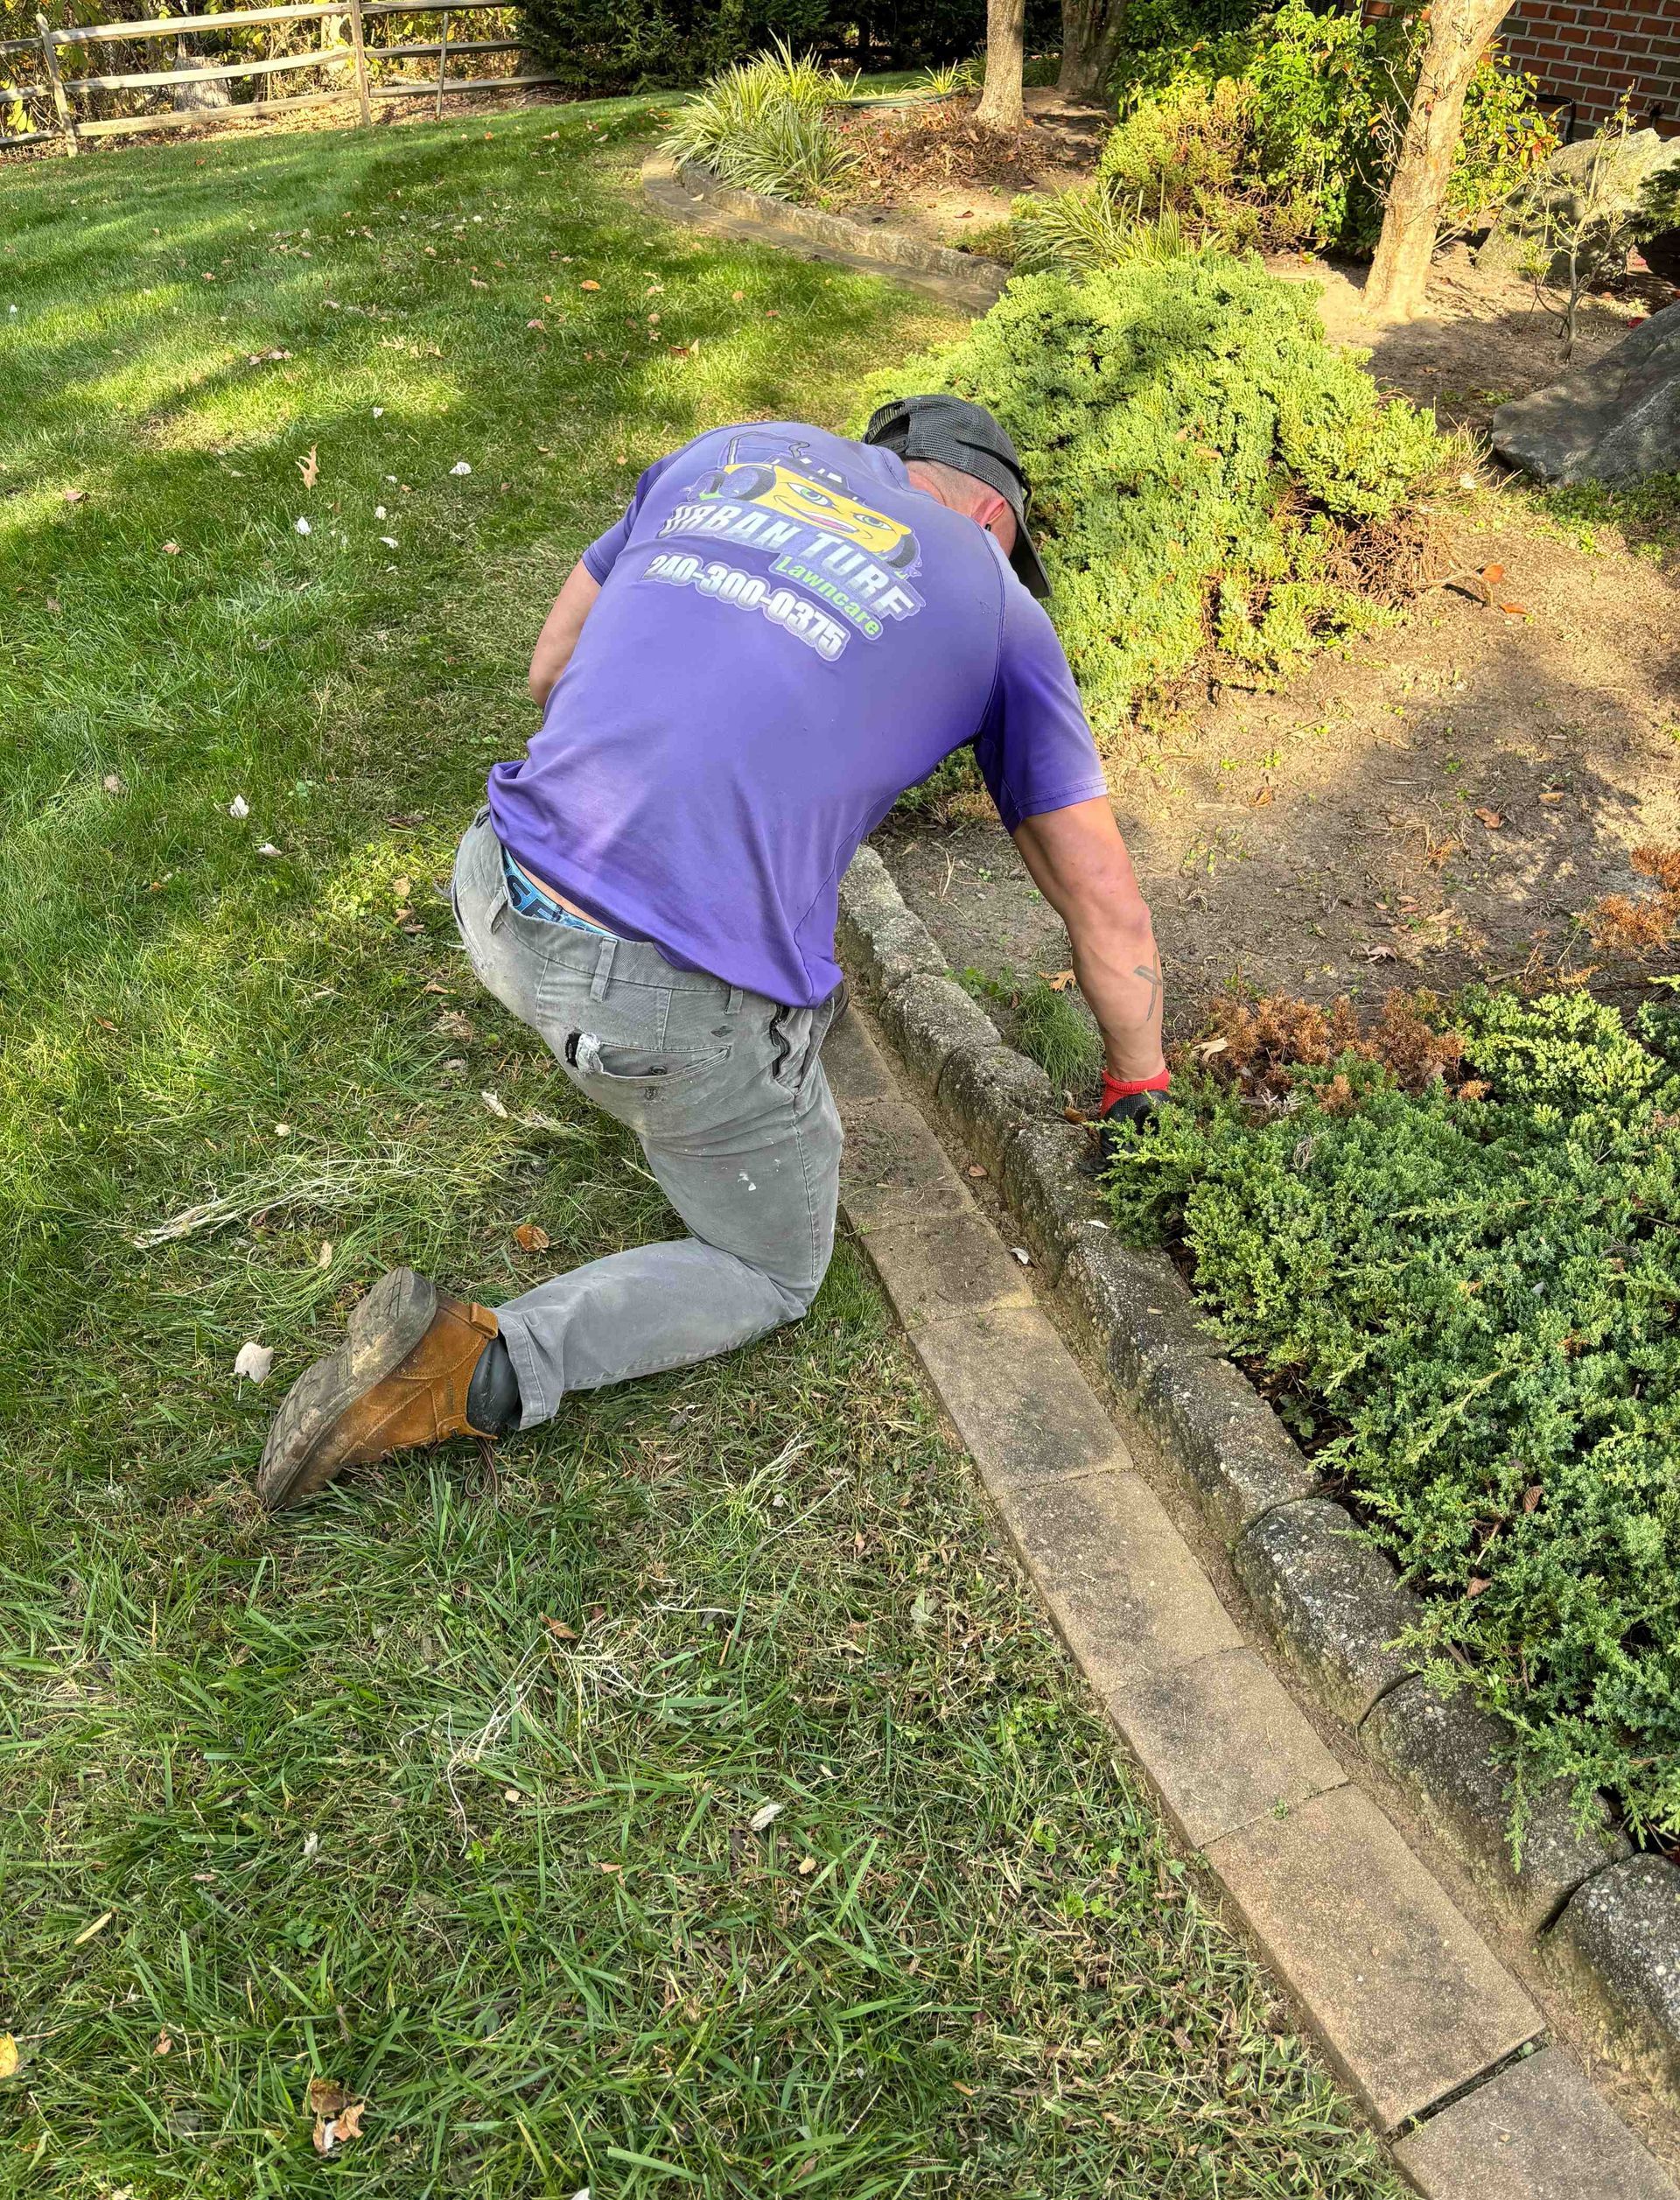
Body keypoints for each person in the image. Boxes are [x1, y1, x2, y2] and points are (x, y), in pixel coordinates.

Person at [256, 397, 1169, 1510]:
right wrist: (1137, 1081)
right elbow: (1101, 895)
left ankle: (646, 1061)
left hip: (495, 887)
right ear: (994, 514)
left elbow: (551, 672)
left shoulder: (732, 452)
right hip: (643, 1004)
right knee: (772, 1268)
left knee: (739, 998)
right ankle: (474, 1370)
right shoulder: (991, 598)